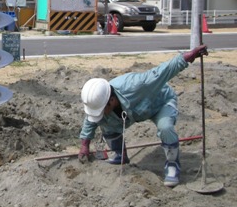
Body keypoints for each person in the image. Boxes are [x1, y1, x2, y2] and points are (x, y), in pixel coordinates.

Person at [77, 45, 208, 187]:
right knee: (104, 122)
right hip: (135, 112)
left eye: (101, 110)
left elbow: (163, 71)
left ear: (112, 100)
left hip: (160, 103)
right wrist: (84, 146)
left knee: (165, 127)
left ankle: (172, 165)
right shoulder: (99, 99)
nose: (99, 114)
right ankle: (120, 155)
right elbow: (90, 120)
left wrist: (187, 57)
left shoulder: (136, 85)